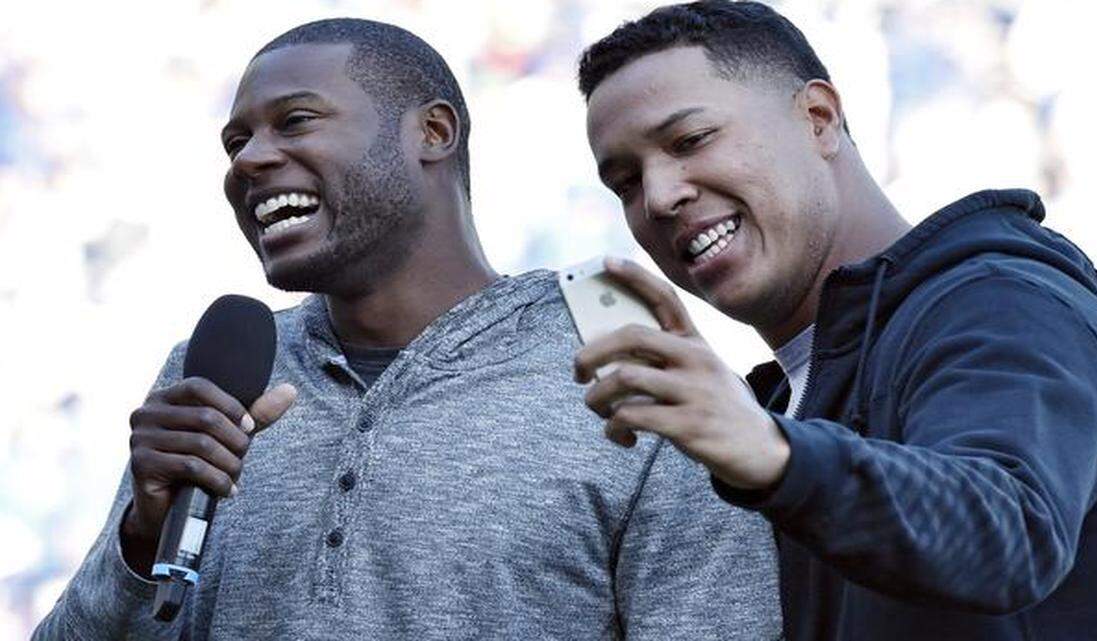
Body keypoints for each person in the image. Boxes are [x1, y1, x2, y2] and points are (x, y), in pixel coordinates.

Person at [34, 18, 782, 640]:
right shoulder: (218, 374)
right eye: (236, 142)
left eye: (293, 120)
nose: (252, 159)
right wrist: (141, 536)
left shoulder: (627, 363)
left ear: (432, 131)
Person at [573, 2, 1097, 640]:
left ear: (819, 119)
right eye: (624, 182)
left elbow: (1009, 528)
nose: (658, 195)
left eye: (689, 141)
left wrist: (773, 454)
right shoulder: (783, 402)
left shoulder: (1005, 303)